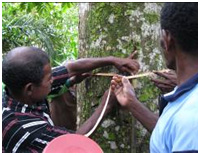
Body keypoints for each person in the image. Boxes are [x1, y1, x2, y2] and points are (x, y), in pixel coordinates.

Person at [2, 46, 139, 153]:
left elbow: (71, 68)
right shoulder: (25, 128)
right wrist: (106, 105)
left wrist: (113, 60)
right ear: (29, 89)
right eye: (49, 79)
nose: (53, 79)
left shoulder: (18, 92)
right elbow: (73, 142)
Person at [111, 2, 198, 153]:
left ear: (167, 39)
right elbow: (172, 135)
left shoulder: (193, 117)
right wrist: (132, 104)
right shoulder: (191, 105)